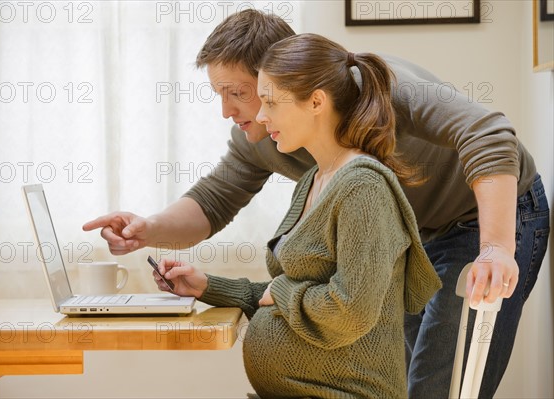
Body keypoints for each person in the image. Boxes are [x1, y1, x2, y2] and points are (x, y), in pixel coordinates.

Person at [83, 10, 550, 398]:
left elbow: (489, 133)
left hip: (482, 217)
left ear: (287, 77)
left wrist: (494, 248)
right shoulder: (266, 136)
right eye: (219, 95)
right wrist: (147, 228)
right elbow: (214, 200)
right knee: (408, 383)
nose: (228, 110)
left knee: (438, 386)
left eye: (238, 93)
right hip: (412, 237)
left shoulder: (384, 88)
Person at [153, 33, 442, 397]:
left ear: (316, 102)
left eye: (271, 102)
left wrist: (284, 290)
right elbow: (286, 293)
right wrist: (209, 286)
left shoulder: (362, 188)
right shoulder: (313, 179)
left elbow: (348, 310)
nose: (260, 114)